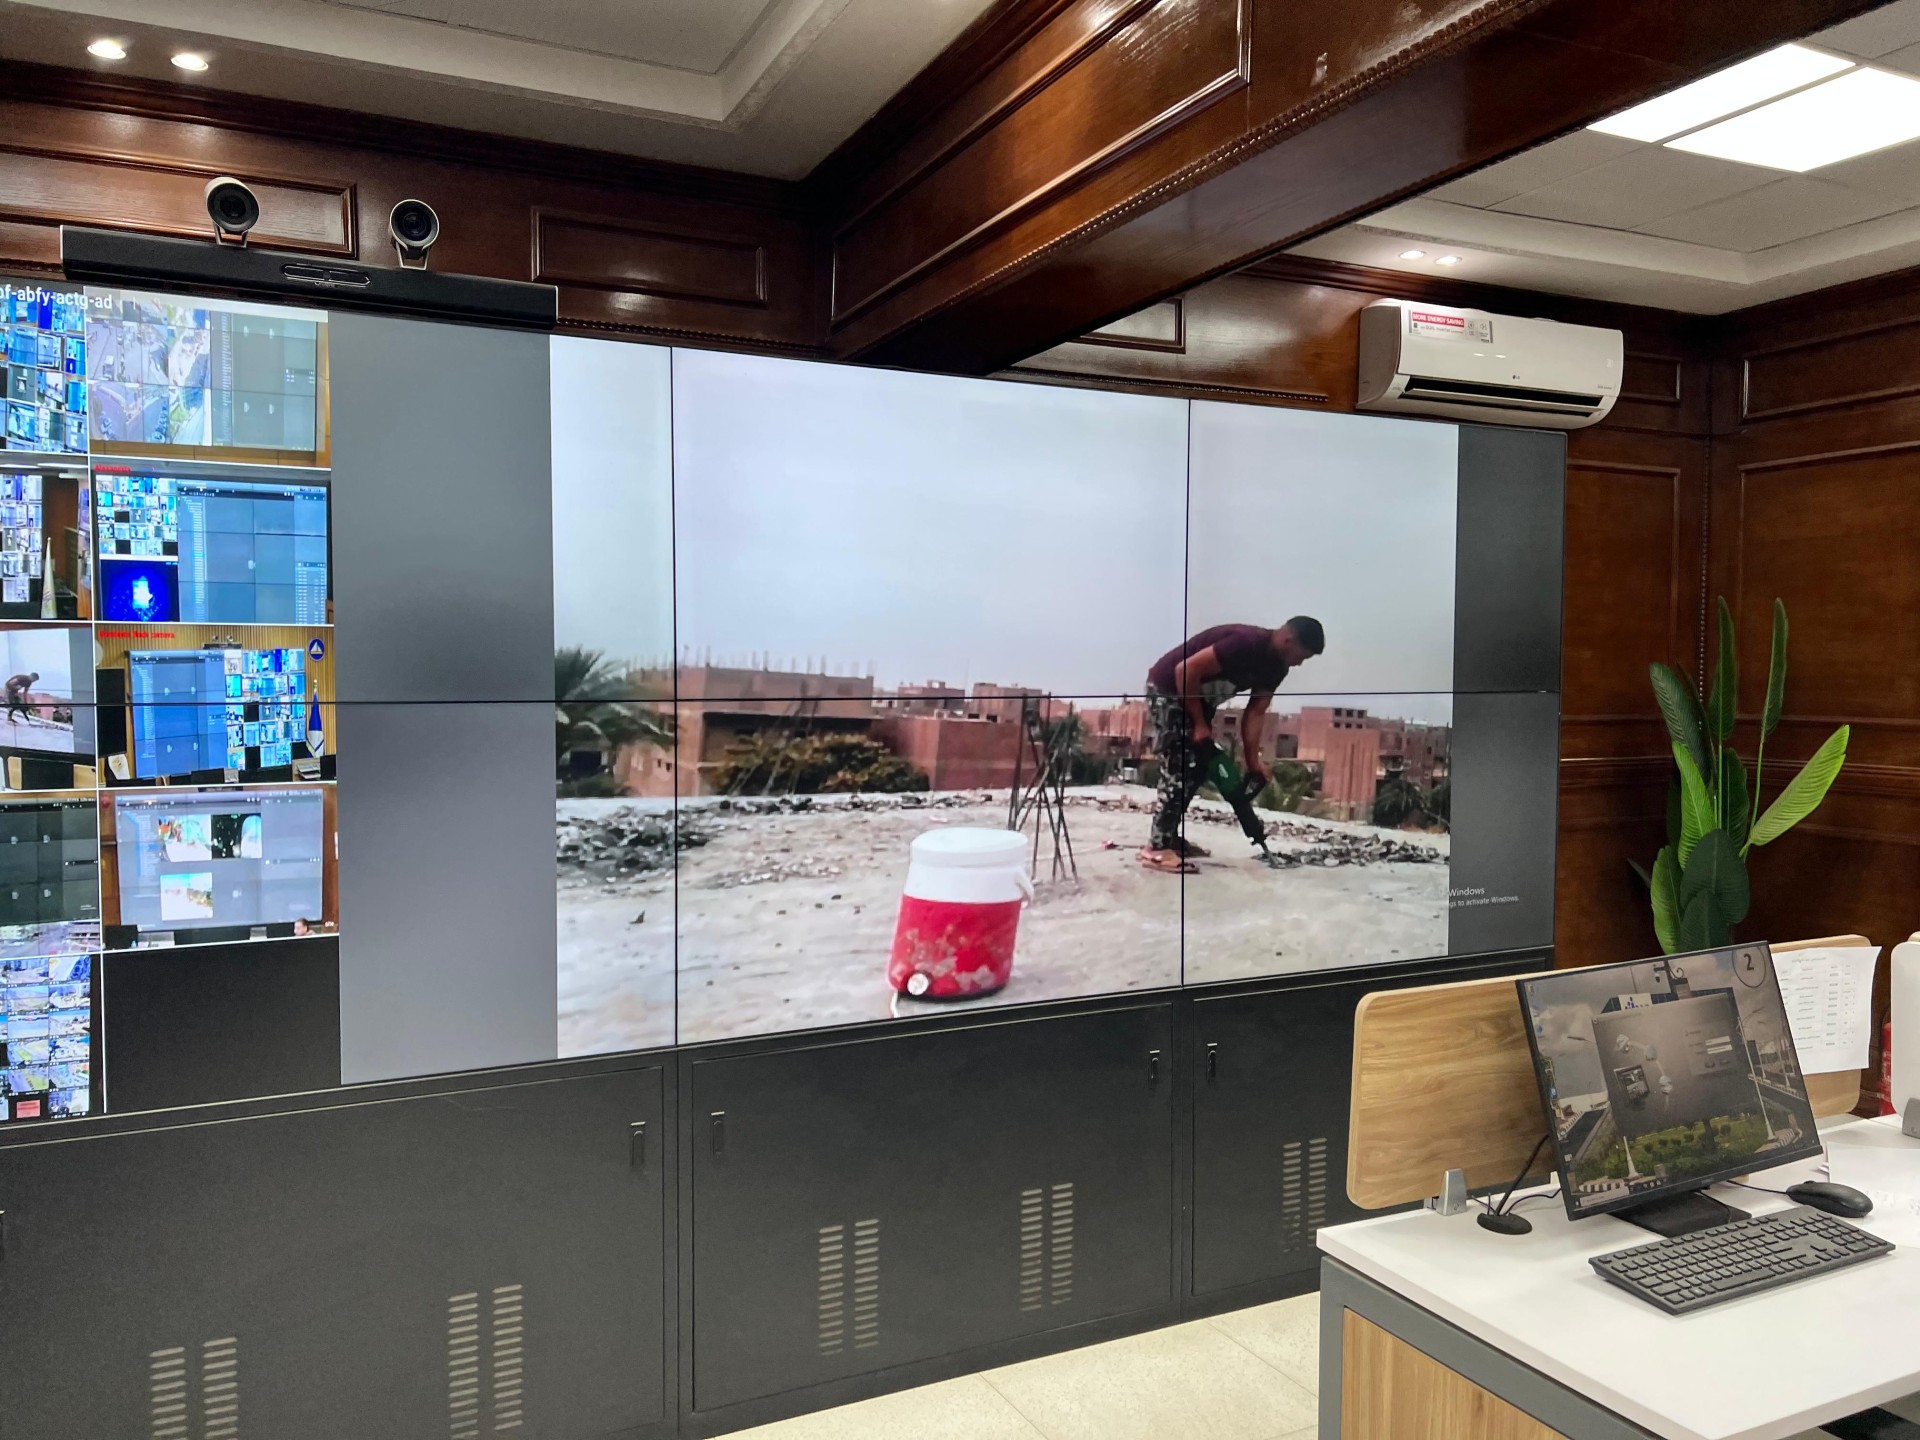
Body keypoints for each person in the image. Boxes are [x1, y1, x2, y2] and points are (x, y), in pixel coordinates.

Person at [1138, 619, 1324, 873]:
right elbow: (1185, 670)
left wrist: (1252, 762)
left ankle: (1168, 837)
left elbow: (1256, 712)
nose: (1299, 663)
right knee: (1182, 764)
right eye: (1300, 656)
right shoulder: (1246, 644)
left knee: (1200, 765)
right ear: (1287, 640)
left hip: (1198, 698)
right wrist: (1199, 724)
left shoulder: (1277, 668)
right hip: (1169, 688)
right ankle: (1156, 849)